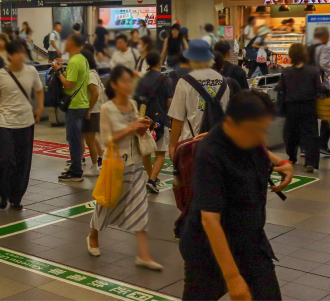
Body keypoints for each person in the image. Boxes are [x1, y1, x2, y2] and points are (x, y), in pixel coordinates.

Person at [179, 90, 293, 301]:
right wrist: (232, 278)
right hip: (207, 249)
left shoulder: (249, 135)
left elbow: (260, 147)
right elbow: (210, 220)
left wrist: (282, 162)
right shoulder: (211, 153)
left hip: (250, 241)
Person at [87, 66, 161, 271]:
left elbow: (136, 133)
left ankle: (143, 254)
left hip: (135, 163)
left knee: (140, 208)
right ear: (114, 85)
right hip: (115, 164)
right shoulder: (107, 108)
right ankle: (93, 236)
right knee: (106, 204)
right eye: (125, 82)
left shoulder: (133, 104)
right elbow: (106, 140)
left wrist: (143, 127)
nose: (129, 85)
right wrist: (130, 128)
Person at [0, 41, 44, 209]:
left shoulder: (32, 72)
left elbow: (39, 90)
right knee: (5, 159)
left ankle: (16, 197)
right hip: (5, 123)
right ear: (10, 55)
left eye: (22, 52)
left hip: (26, 123)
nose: (21, 56)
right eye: (18, 53)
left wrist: (40, 107)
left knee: (22, 162)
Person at [168, 40, 231, 158]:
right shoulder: (223, 82)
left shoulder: (185, 82)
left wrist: (172, 145)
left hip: (191, 145)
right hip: (219, 144)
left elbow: (177, 118)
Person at [277, 43, 325, 173]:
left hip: (291, 106)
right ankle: (311, 163)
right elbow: (319, 88)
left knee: (291, 132)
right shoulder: (313, 71)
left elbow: (280, 88)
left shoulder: (286, 72)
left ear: (291, 55)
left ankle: (292, 157)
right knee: (311, 134)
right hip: (308, 105)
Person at [134, 51, 173, 193]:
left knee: (146, 151)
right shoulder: (166, 79)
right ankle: (152, 179)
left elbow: (135, 100)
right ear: (159, 62)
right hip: (160, 120)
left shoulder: (140, 79)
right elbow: (170, 101)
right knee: (160, 153)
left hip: (143, 120)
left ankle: (152, 177)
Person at [55, 34, 90, 182]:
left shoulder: (75, 61)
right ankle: (75, 167)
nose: (65, 43)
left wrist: (58, 72)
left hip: (74, 105)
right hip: (81, 102)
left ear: (73, 44)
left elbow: (69, 85)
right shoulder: (83, 59)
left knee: (74, 138)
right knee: (76, 137)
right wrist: (62, 70)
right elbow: (74, 80)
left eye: (67, 41)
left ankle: (76, 171)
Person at [309, 26, 330, 157]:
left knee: (310, 116)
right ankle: (322, 145)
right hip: (321, 86)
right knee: (329, 114)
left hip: (307, 86)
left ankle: (307, 148)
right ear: (324, 37)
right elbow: (323, 64)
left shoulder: (307, 47)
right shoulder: (324, 48)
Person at [81, 49, 105, 176]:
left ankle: (95, 166)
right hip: (94, 110)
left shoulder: (90, 75)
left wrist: (89, 110)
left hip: (93, 111)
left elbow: (95, 93)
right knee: (91, 137)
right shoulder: (92, 73)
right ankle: (101, 158)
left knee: (89, 140)